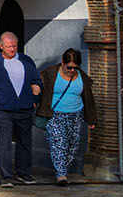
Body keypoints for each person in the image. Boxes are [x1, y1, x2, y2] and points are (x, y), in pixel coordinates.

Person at [0, 31, 42, 187]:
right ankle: (6, 176)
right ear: (1, 46)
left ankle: (24, 173)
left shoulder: (26, 61)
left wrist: (35, 98)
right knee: (4, 143)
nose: (12, 49)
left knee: (24, 142)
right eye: (9, 46)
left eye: (15, 46)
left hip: (24, 109)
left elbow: (37, 81)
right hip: (2, 110)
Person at [37, 48, 95, 186]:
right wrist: (34, 97)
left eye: (76, 68)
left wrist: (91, 119)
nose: (72, 70)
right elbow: (38, 86)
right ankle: (61, 175)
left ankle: (62, 169)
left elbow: (88, 98)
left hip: (76, 115)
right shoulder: (50, 73)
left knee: (72, 145)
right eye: (69, 67)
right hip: (54, 114)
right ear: (63, 62)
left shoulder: (82, 77)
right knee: (59, 141)